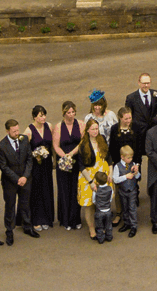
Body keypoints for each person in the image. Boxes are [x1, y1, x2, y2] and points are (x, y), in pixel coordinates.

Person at [53, 101, 83, 231]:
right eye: (68, 112)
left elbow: (83, 141)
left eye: (72, 112)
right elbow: (55, 145)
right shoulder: (59, 126)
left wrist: (71, 154)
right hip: (63, 162)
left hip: (76, 160)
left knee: (76, 189)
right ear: (64, 113)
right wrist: (64, 157)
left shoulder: (81, 124)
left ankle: (76, 219)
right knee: (64, 190)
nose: (71, 115)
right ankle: (65, 220)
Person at [25, 106, 55, 233]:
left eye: (44, 115)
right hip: (36, 165)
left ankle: (47, 218)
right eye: (40, 115)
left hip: (47, 163)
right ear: (34, 117)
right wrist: (35, 155)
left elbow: (52, 144)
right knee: (36, 191)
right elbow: (26, 151)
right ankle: (36, 220)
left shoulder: (49, 126)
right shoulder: (28, 131)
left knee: (47, 188)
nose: (43, 118)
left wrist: (54, 159)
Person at [76, 120, 107, 239]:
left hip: (102, 175)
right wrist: (90, 182)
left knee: (101, 204)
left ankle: (101, 226)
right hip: (87, 176)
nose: (95, 131)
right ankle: (92, 229)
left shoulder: (102, 139)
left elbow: (108, 157)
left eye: (97, 129)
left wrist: (109, 172)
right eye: (93, 129)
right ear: (88, 130)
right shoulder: (83, 145)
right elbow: (81, 165)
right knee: (89, 205)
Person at [125, 73, 157, 164]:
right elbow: (129, 117)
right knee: (137, 160)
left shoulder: (155, 94)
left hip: (153, 133)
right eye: (144, 83)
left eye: (148, 83)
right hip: (139, 134)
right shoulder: (131, 98)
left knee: (155, 158)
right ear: (139, 83)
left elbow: (155, 111)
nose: (146, 85)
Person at [110, 144, 140, 237]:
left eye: (131, 157)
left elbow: (139, 177)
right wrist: (125, 176)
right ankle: (126, 223)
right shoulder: (117, 166)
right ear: (122, 157)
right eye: (128, 158)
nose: (130, 159)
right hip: (122, 191)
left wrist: (136, 173)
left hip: (132, 191)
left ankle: (133, 226)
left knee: (132, 208)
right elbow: (115, 179)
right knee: (125, 208)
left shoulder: (134, 164)